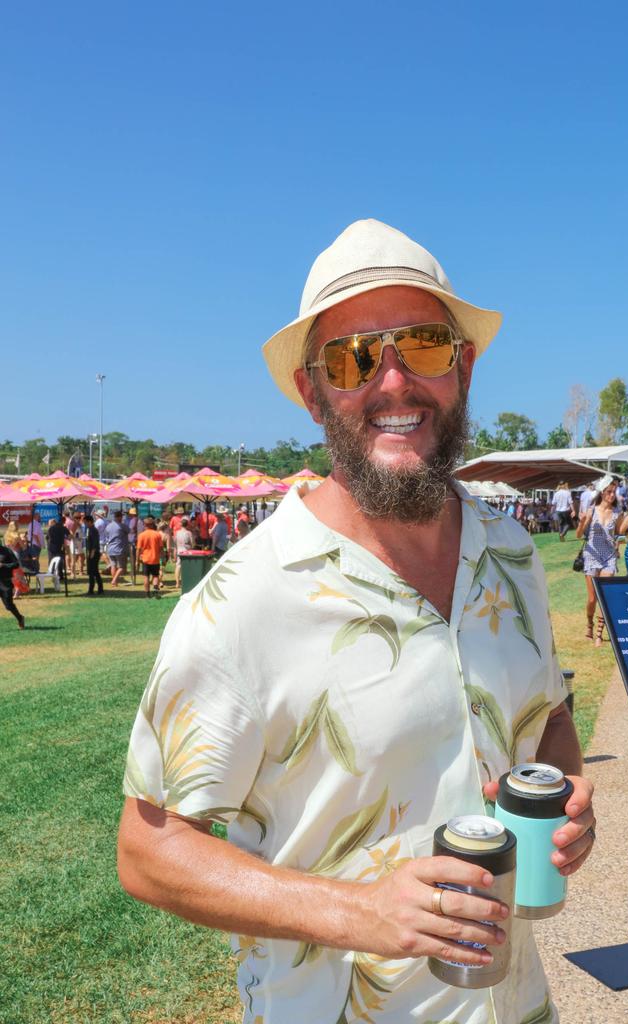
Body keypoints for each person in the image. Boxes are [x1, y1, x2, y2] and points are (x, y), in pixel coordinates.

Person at [117, 219, 595, 1024]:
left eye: (425, 345)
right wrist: (361, 911)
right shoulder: (245, 600)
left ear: (465, 366)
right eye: (352, 357)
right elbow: (148, 850)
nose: (394, 381)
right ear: (313, 392)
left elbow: (548, 714)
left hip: (518, 1003)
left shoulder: (511, 554)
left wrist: (568, 788)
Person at [576, 474, 623, 645]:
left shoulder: (618, 512)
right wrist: (582, 522)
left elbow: (619, 532)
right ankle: (589, 623)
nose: (612, 495)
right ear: (602, 492)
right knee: (592, 599)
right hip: (591, 555)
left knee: (604, 595)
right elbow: (579, 534)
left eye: (614, 492)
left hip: (609, 556)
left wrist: (619, 541)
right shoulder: (591, 510)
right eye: (609, 492)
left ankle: (599, 634)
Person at [136, 516, 164, 598]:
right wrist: (163, 558)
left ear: (145, 525)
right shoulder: (157, 534)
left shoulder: (141, 535)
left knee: (146, 576)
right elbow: (161, 548)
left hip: (145, 559)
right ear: (153, 525)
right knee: (155, 575)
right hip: (155, 558)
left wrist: (137, 560)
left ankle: (147, 594)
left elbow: (138, 549)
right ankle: (155, 588)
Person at [0, 541, 24, 629]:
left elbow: (16, 564)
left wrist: (3, 565)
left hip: (5, 583)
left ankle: (20, 618)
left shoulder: (7, 551)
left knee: (8, 605)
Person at [104, 511, 130, 587]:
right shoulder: (122, 526)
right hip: (119, 549)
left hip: (110, 549)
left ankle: (114, 583)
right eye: (121, 517)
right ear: (120, 517)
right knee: (122, 567)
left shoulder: (108, 526)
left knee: (113, 565)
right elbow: (129, 531)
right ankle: (114, 580)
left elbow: (107, 535)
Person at [83, 514, 104, 595]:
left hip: (94, 554)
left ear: (90, 522)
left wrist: (92, 553)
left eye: (85, 522)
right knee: (92, 572)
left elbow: (95, 543)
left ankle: (97, 589)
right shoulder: (89, 529)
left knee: (94, 572)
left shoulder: (93, 530)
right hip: (89, 553)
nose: (85, 524)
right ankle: (93, 589)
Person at [173, 516, 195, 588]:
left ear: (181, 524)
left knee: (178, 566)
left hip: (179, 550)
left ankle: (177, 583)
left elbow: (175, 544)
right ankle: (186, 581)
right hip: (187, 551)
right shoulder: (189, 533)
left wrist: (174, 554)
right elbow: (192, 543)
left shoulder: (177, 533)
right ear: (187, 524)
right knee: (187, 567)